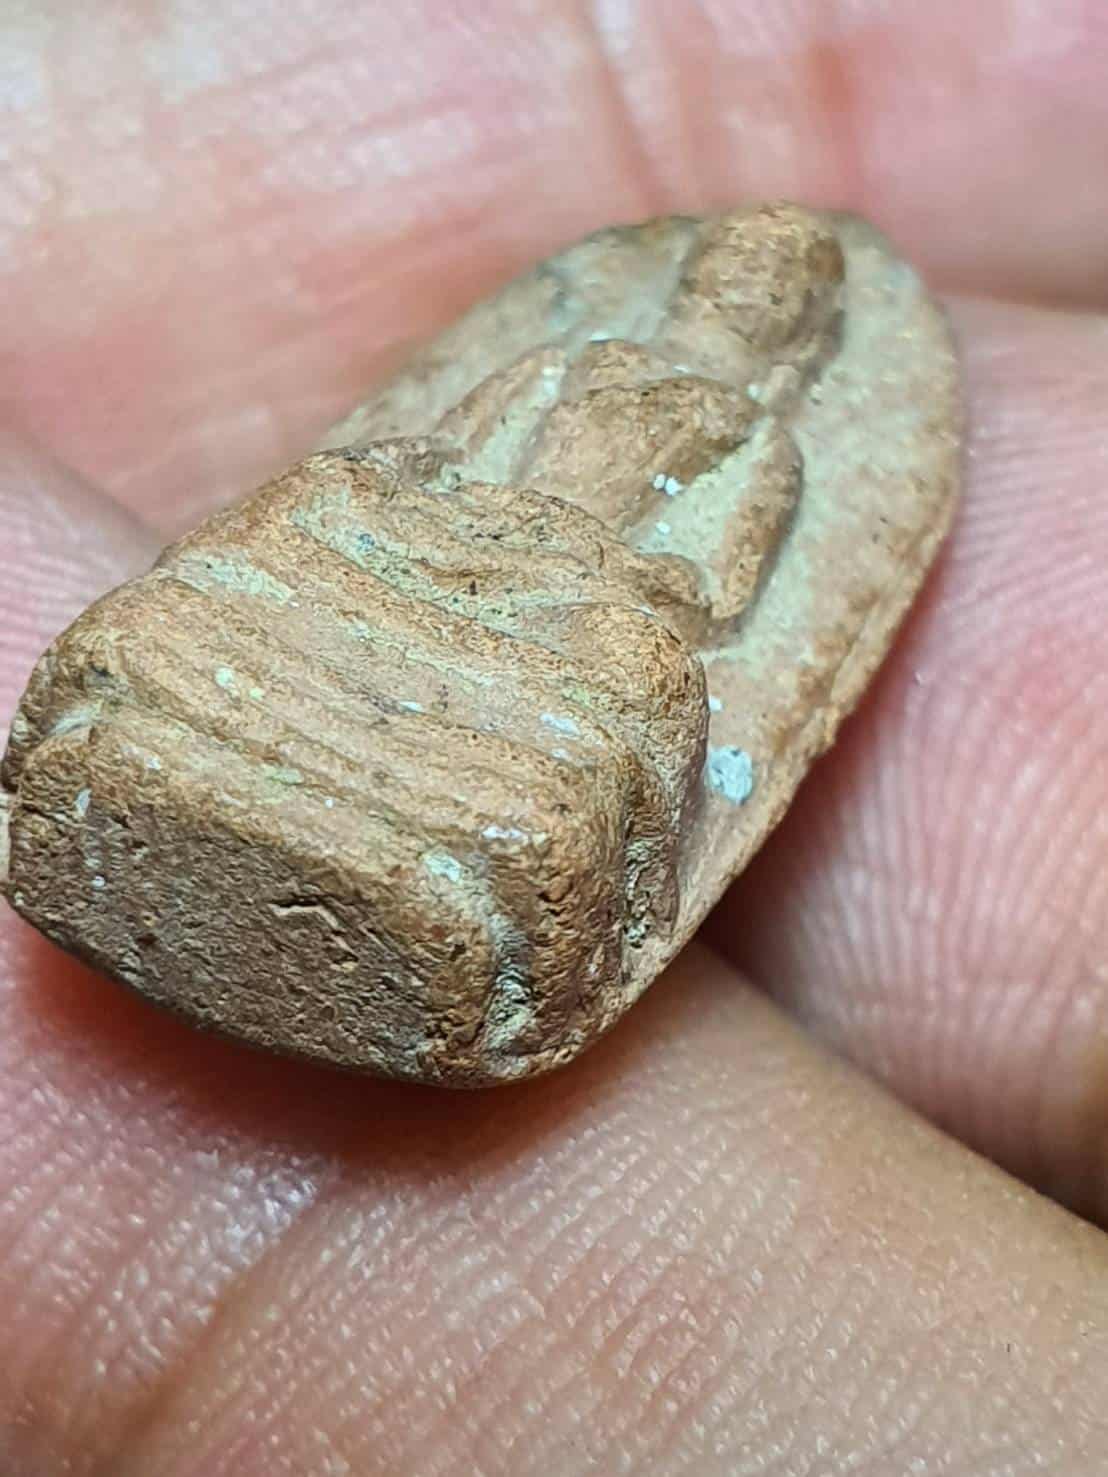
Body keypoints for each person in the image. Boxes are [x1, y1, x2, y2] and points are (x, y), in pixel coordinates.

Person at [1, 3, 1106, 1470]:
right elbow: (445, 451)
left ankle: (447, 858)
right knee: (316, 509)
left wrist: (583, 568)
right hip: (459, 540)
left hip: (585, 594)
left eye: (761, 305)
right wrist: (435, 509)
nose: (729, 309)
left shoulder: (758, 442)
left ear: (786, 343)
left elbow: (712, 590)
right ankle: (175, 733)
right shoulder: (568, 364)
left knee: (633, 679)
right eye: (723, 285)